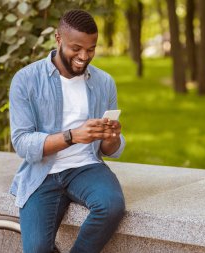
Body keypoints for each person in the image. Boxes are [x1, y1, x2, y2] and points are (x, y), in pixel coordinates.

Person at [9, 9, 126, 253]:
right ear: (58, 39)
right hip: (42, 172)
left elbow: (110, 150)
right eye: (76, 48)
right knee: (37, 249)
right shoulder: (26, 80)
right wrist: (71, 136)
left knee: (112, 206)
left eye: (91, 48)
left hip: (86, 167)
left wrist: (111, 138)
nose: (84, 56)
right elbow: (21, 142)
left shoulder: (104, 83)